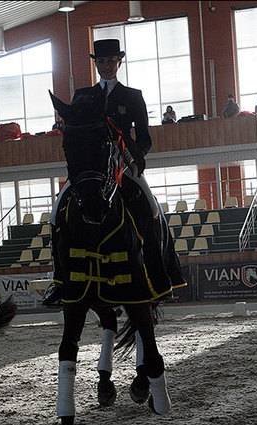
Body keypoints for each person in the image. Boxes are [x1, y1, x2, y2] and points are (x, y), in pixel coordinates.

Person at [43, 38, 167, 307]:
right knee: (56, 213)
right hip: (91, 165)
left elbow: (145, 138)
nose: (106, 66)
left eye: (111, 61)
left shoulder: (133, 96)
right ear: (95, 63)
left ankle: (156, 275)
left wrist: (133, 157)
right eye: (101, 61)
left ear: (119, 62)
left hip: (123, 163)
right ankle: (60, 278)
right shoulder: (83, 96)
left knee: (150, 207)